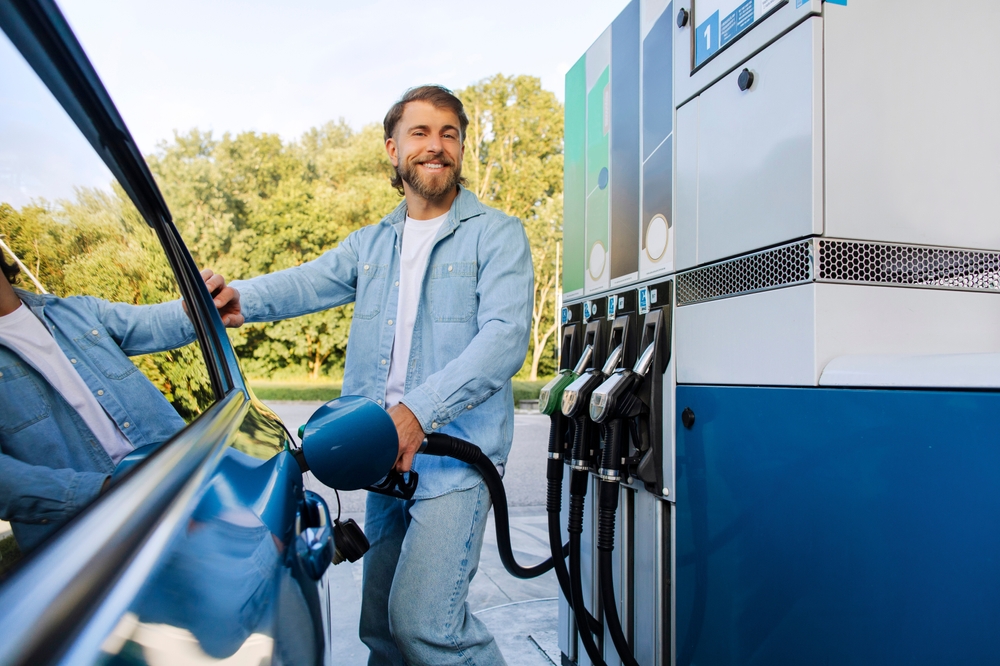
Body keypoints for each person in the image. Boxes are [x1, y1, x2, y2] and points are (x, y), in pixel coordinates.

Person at [206, 85, 533, 665]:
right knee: (381, 629)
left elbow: (504, 340)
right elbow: (305, 282)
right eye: (421, 133)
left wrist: (416, 413)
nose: (436, 146)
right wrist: (239, 299)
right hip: (383, 456)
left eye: (449, 134)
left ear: (460, 148)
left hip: (456, 461)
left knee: (425, 626)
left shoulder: (496, 233)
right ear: (393, 149)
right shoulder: (373, 243)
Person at [0, 252, 196, 553]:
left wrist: (196, 306)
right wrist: (107, 490)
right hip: (92, 549)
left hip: (182, 490)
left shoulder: (74, 311)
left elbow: (155, 322)